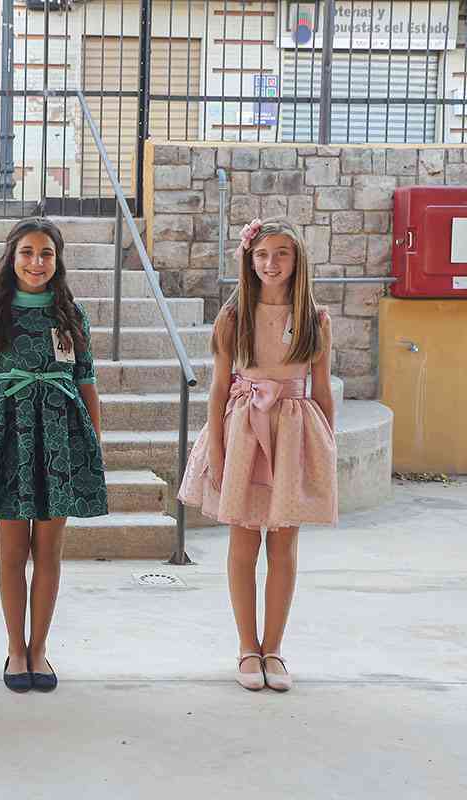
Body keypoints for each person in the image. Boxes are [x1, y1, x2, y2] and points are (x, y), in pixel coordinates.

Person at [179, 217, 337, 692]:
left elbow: (322, 391)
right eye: (263, 255)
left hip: (293, 435)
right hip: (244, 430)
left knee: (284, 544)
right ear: (249, 260)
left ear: (297, 260)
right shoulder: (234, 318)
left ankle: (274, 649)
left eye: (282, 254)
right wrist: (218, 451)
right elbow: (217, 389)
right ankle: (248, 647)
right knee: (244, 542)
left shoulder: (315, 319)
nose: (272, 263)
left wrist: (326, 450)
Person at [0, 217, 108, 694]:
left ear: (58, 260)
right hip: (7, 438)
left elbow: (87, 384)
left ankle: (39, 647)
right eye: (27, 252)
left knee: (49, 550)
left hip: (60, 438)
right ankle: (15, 647)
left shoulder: (71, 315)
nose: (36, 262)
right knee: (12, 551)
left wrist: (92, 449)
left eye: (46, 253)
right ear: (12, 257)